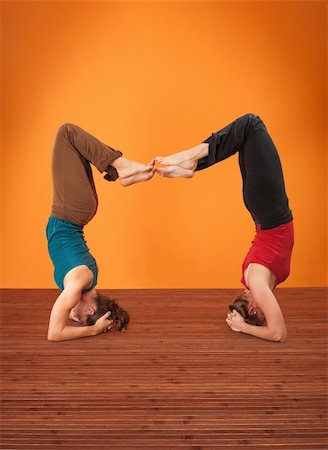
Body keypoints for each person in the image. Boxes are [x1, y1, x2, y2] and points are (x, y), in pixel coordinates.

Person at [155, 113, 294, 342]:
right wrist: (241, 325)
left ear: (253, 309)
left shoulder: (258, 283)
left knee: (250, 125)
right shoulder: (259, 282)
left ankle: (190, 159)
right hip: (265, 210)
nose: (271, 311)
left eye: (265, 313)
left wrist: (242, 326)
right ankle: (192, 164)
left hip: (270, 211)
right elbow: (277, 332)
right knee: (245, 136)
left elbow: (278, 333)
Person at [46, 123, 155, 341]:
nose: (71, 316)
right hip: (71, 211)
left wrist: (89, 322)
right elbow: (54, 334)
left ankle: (118, 171)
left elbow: (66, 320)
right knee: (67, 133)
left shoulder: (89, 278)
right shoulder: (78, 282)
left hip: (77, 211)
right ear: (88, 310)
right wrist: (94, 329)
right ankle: (121, 166)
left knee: (74, 145)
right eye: (76, 317)